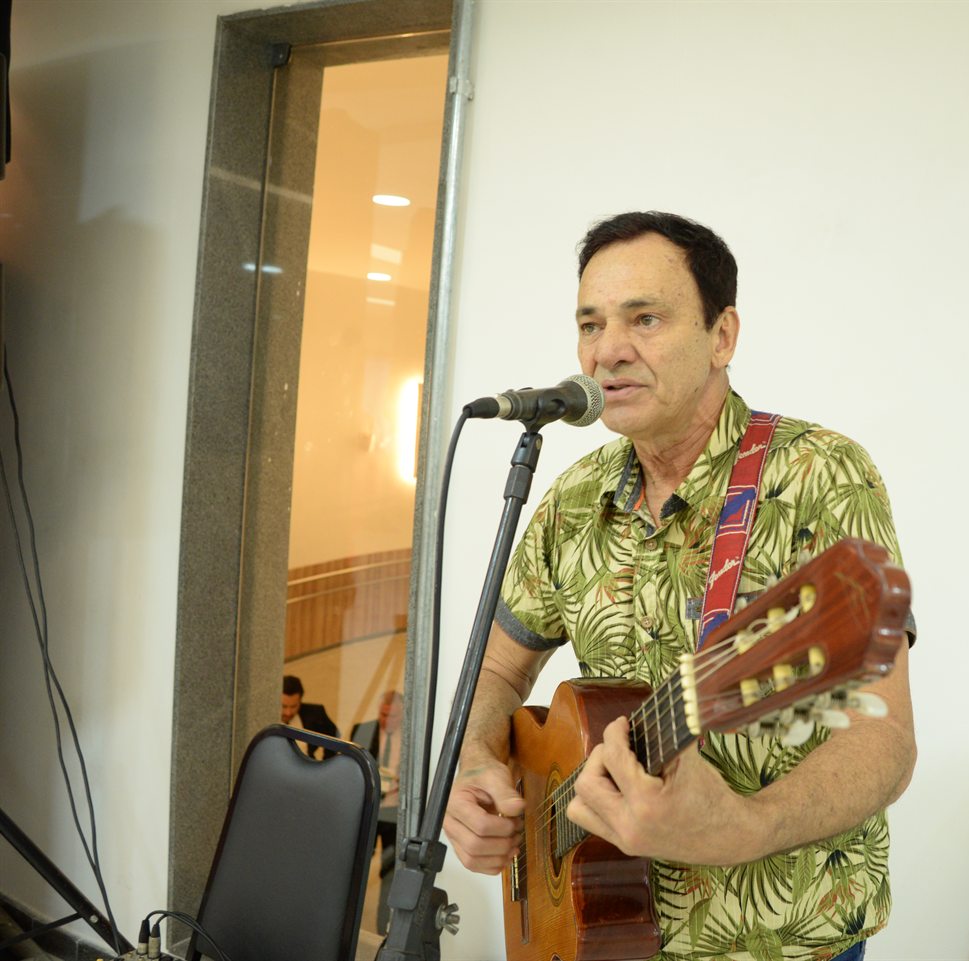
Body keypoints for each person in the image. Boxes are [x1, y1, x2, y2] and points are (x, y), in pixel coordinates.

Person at [443, 212, 915, 961]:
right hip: (600, 937)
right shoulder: (572, 499)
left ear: (722, 336)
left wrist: (743, 827)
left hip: (779, 945)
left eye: (645, 318)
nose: (607, 351)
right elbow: (497, 671)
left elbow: (883, 739)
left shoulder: (820, 476)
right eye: (590, 324)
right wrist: (473, 763)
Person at [351, 689, 404, 933]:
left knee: (389, 872)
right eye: (383, 714)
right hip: (370, 809)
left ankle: (383, 928)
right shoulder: (363, 730)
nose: (386, 720)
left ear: (403, 715)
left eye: (392, 716)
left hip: (395, 812)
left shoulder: (412, 737)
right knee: (357, 865)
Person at [280, 674, 338, 758]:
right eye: (284, 706)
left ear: (300, 701)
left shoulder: (315, 713)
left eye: (293, 706)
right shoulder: (265, 717)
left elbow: (333, 737)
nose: (288, 712)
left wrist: (326, 762)